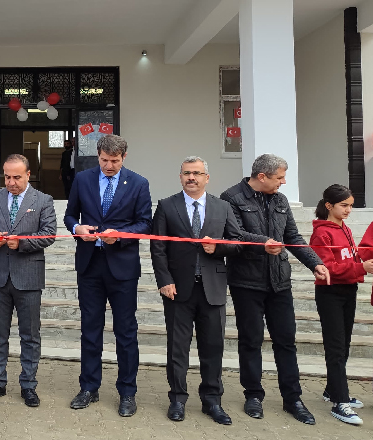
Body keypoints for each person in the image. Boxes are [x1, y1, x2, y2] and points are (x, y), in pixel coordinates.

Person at [220, 153, 329, 424]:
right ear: (262, 177)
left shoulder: (280, 200)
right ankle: (253, 395)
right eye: (279, 177)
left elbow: (292, 236)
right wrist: (263, 242)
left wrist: (315, 263)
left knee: (286, 341)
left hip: (280, 282)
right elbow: (233, 235)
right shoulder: (231, 197)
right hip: (246, 281)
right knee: (251, 341)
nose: (283, 182)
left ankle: (292, 398)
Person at [63, 134, 152, 417]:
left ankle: (127, 392)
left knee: (125, 332)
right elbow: (69, 216)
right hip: (90, 265)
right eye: (104, 160)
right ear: (98, 155)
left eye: (114, 161)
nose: (109, 166)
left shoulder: (138, 183)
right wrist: (77, 229)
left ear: (124, 157)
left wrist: (121, 236)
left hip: (122, 267)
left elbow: (145, 224)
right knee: (90, 329)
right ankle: (89, 387)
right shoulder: (83, 179)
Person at [150, 156, 243, 425]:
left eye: (197, 173)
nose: (192, 178)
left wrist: (219, 247)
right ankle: (177, 399)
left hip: (212, 288)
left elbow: (236, 242)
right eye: (187, 173)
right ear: (180, 177)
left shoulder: (222, 207)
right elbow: (158, 248)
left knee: (212, 347)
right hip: (177, 289)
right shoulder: (167, 206)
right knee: (178, 348)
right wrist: (164, 280)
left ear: (207, 177)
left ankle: (212, 400)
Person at [0, 154, 56, 407]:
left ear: (28, 175)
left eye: (16, 177)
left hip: (28, 277)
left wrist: (21, 243)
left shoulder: (43, 200)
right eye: (7, 177)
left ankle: (28, 385)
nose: (11, 182)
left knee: (30, 335)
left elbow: (49, 234)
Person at [309, 184, 369, 425]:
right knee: (335, 347)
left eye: (351, 206)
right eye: (344, 205)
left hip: (349, 289)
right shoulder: (321, 233)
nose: (348, 210)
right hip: (330, 292)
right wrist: (360, 267)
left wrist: (360, 262)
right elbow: (326, 269)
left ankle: (332, 390)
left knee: (343, 344)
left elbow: (349, 257)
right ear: (328, 205)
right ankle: (340, 402)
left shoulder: (344, 229)